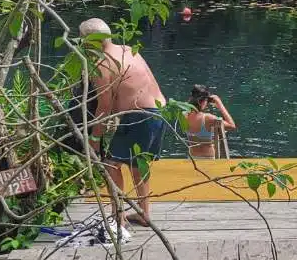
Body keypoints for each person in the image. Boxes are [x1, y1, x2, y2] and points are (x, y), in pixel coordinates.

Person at [79, 17, 166, 227]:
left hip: (138, 116)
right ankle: (143, 213)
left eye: (83, 41)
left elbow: (104, 107)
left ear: (91, 41)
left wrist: (94, 137)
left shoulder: (102, 63)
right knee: (139, 164)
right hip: (160, 111)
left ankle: (118, 216)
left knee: (111, 163)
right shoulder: (128, 49)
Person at [184, 85, 236, 158]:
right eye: (206, 101)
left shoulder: (184, 116)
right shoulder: (208, 118)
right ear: (201, 101)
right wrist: (220, 105)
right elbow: (232, 126)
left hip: (192, 158)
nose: (207, 104)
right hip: (208, 159)